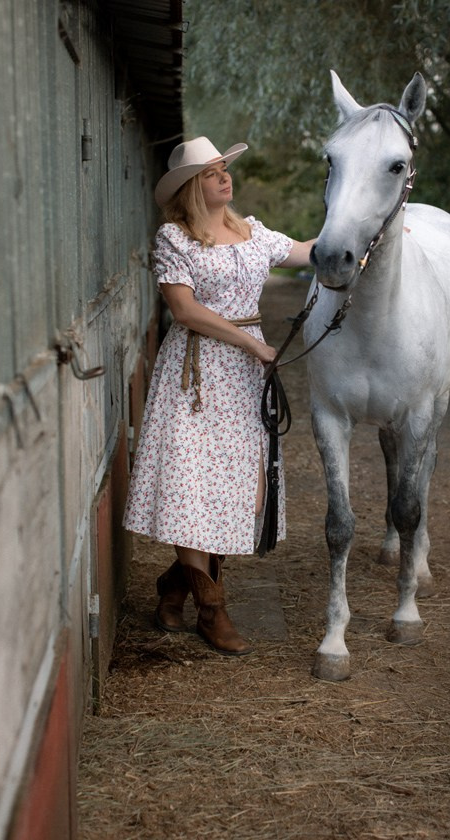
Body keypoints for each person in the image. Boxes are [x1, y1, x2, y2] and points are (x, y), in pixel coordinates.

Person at [123, 136, 315, 656]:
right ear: (191, 187)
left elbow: (307, 252)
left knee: (237, 492)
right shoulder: (174, 238)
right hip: (195, 377)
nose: (224, 177)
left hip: (244, 379)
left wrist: (368, 237)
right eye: (211, 172)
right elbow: (184, 311)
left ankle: (174, 587)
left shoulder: (251, 231)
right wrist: (253, 342)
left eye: (224, 168)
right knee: (193, 488)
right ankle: (213, 608)